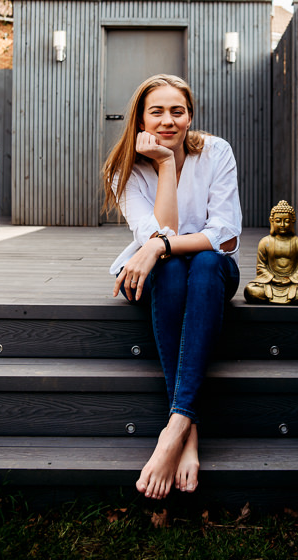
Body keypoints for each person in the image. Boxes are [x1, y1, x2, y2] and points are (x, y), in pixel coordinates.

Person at [103, 74, 242, 500]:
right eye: (157, 112)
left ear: (190, 116)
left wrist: (158, 246)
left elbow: (226, 235)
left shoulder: (215, 152)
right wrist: (164, 164)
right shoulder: (122, 169)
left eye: (177, 111)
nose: (168, 121)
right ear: (140, 119)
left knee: (201, 263)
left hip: (211, 272)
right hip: (154, 273)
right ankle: (186, 432)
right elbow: (158, 234)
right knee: (170, 270)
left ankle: (173, 429)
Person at [243, 200, 298, 305]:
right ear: (271, 221)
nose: (282, 224)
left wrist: (290, 279)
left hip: (293, 283)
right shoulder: (265, 242)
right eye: (278, 221)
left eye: (287, 221)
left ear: (293, 221)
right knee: (251, 290)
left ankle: (284, 296)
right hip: (270, 283)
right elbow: (261, 267)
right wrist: (273, 278)